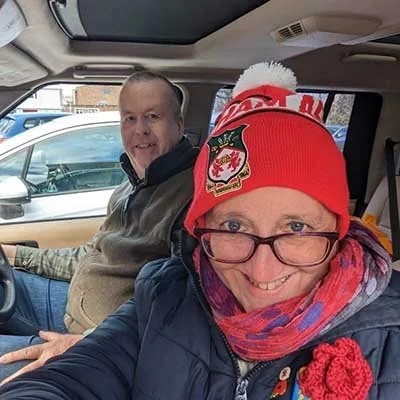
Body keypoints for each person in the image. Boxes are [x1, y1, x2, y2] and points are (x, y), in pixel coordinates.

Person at [1, 62, 399, 400]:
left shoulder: (389, 339)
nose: (261, 271)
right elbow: (72, 378)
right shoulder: (168, 295)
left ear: (339, 230)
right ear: (203, 229)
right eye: (233, 226)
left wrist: (81, 337)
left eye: (297, 227)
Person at [0, 70, 199, 383]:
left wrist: (88, 342)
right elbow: (89, 255)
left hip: (104, 348)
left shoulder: (193, 195)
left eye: (152, 116)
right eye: (130, 118)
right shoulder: (131, 184)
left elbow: (178, 311)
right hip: (69, 308)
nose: (140, 129)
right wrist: (14, 255)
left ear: (179, 125)